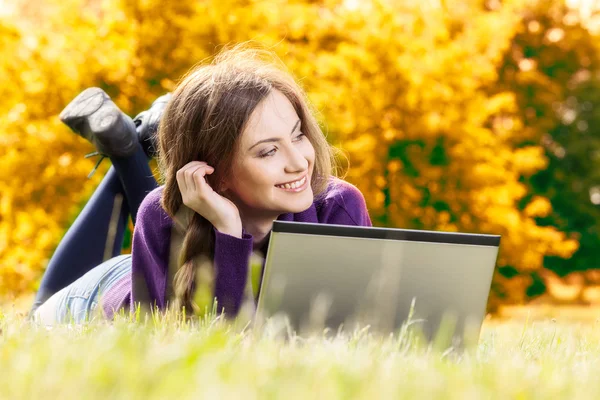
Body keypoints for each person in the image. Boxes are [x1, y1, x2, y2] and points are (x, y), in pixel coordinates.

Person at [31, 45, 372, 325]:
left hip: (157, 263)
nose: (299, 162)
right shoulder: (158, 216)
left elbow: (361, 324)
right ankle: (129, 151)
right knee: (37, 313)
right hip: (95, 298)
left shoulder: (337, 206)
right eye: (267, 151)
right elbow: (215, 343)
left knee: (172, 208)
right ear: (216, 173)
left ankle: (131, 145)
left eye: (298, 135)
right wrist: (229, 231)